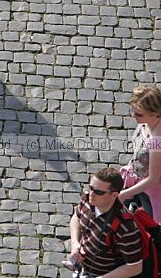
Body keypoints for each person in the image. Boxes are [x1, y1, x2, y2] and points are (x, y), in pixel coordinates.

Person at [66, 167, 144, 277]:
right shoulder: (87, 200)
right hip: (82, 269)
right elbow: (76, 217)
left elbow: (135, 267)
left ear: (114, 195)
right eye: (91, 188)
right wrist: (75, 244)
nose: (91, 194)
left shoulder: (125, 227)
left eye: (98, 192)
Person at [121, 85, 161, 217]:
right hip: (137, 180)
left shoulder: (157, 140)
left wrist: (124, 194)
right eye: (132, 110)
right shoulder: (148, 122)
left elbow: (153, 179)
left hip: (152, 191)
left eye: (139, 114)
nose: (133, 116)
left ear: (155, 113)